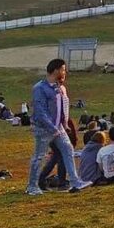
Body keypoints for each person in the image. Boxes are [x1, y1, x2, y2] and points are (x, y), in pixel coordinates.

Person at [26, 59, 91, 195]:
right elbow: (40, 111)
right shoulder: (40, 88)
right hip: (44, 129)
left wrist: (65, 124)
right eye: (63, 69)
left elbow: (64, 106)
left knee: (68, 149)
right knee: (39, 156)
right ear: (55, 70)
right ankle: (32, 186)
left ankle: (75, 182)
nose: (64, 72)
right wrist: (52, 128)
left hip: (59, 128)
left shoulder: (60, 88)